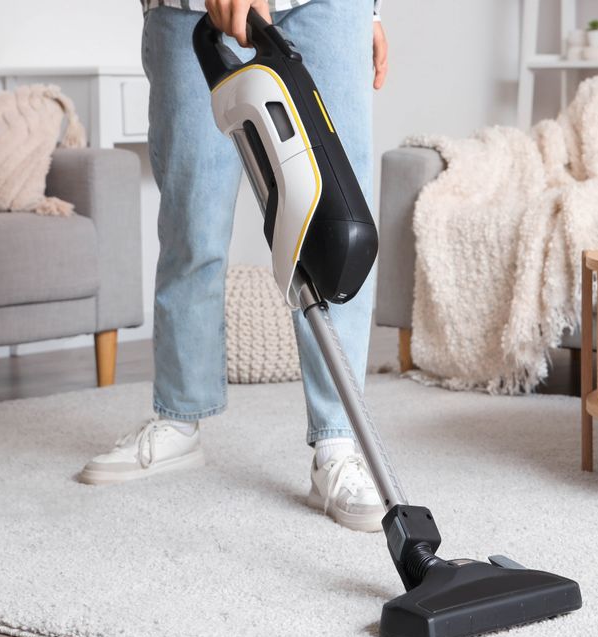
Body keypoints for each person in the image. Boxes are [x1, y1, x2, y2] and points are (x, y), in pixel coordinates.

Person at [78, 0, 390, 533]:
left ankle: (339, 441)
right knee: (190, 217)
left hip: (327, 7)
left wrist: (373, 12)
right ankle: (179, 415)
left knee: (335, 218)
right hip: (185, 11)